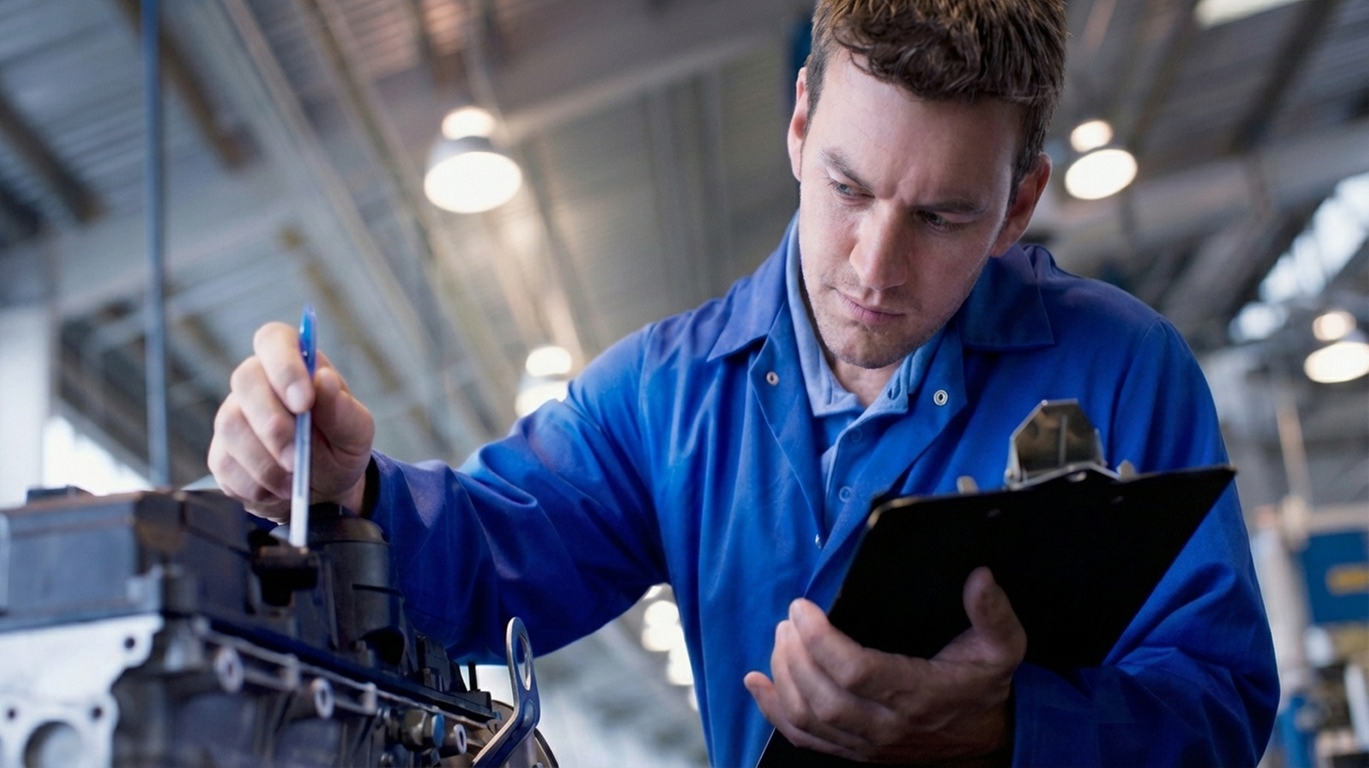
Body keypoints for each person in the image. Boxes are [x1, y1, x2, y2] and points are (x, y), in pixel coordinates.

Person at [209, 0, 1279, 764]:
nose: (871, 267)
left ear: (1016, 204)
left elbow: (1219, 702)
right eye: (846, 187)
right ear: (800, 122)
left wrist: (1007, 732)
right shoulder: (663, 400)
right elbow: (488, 562)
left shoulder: (1124, 373)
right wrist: (347, 493)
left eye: (941, 217)